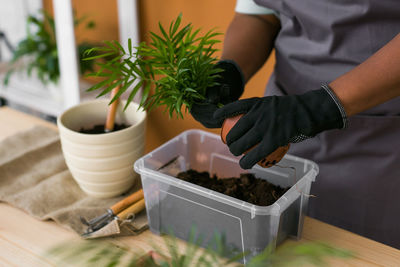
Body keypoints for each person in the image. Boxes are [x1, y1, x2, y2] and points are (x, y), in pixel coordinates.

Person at [190, 0, 400, 248]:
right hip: (280, 124)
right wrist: (230, 69)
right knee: (278, 244)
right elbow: (262, 12)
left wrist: (319, 107)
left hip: (381, 145)